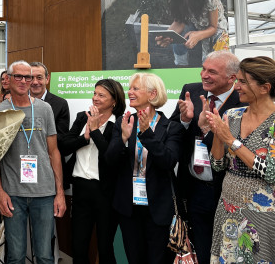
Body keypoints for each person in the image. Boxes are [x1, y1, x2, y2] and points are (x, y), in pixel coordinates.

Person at [170, 50, 245, 264]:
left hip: (227, 191)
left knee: (230, 252)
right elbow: (173, 130)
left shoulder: (243, 101)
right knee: (202, 250)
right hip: (194, 189)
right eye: (203, 69)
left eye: (212, 72)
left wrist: (206, 130)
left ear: (231, 78)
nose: (204, 75)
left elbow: (236, 148)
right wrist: (185, 120)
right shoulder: (191, 91)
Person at [105, 72, 184, 264]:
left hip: (159, 208)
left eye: (135, 88)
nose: (129, 92)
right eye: (130, 88)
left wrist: (147, 133)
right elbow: (109, 160)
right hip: (129, 208)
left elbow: (168, 161)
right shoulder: (124, 122)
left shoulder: (171, 127)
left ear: (152, 94)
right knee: (134, 259)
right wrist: (123, 138)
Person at [0, 60, 66, 264]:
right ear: (8, 80)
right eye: (19, 76)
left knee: (44, 255)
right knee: (15, 256)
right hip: (12, 193)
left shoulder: (45, 109)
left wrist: (59, 192)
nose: (24, 81)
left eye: (28, 77)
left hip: (44, 193)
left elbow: (54, 152)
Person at [207, 56, 275, 263]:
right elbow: (217, 165)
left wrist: (230, 140)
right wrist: (217, 132)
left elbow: (270, 172)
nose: (236, 86)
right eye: (237, 80)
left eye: (243, 82)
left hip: (262, 215)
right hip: (228, 209)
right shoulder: (232, 115)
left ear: (265, 88)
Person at [59, 79, 125, 264]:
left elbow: (111, 156)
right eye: (95, 93)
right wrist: (84, 138)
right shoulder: (83, 117)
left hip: (106, 192)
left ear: (114, 101)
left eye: (101, 95)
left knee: (105, 247)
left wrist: (95, 131)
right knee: (78, 246)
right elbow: (64, 146)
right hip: (81, 189)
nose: (95, 98)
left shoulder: (119, 123)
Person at [30, 62, 71, 188]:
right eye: (31, 78)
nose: (35, 82)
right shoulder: (16, 105)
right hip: (24, 169)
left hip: (50, 169)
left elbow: (61, 138)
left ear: (47, 79)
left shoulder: (60, 104)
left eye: (39, 77)